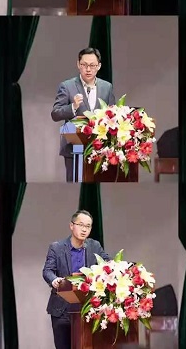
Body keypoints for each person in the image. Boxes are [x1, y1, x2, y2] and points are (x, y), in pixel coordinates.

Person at [42, 210, 111, 349]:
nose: (84, 229)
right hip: (62, 309)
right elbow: (47, 271)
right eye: (81, 225)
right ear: (71, 225)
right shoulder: (57, 247)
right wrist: (54, 280)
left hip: (87, 309)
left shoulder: (94, 246)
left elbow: (108, 264)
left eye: (88, 226)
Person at [51, 48, 115, 182]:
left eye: (92, 65)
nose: (88, 69)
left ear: (99, 66)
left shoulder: (107, 87)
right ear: (78, 64)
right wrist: (73, 107)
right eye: (84, 65)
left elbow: (112, 115)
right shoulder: (67, 86)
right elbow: (55, 114)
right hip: (74, 148)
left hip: (99, 150)